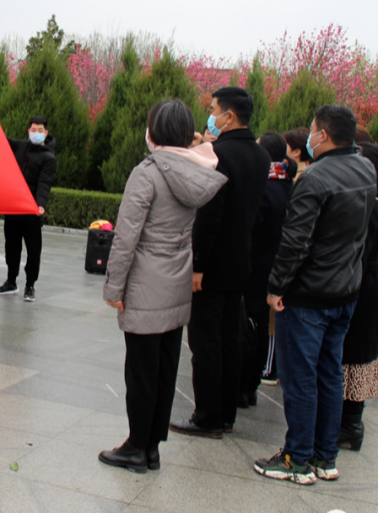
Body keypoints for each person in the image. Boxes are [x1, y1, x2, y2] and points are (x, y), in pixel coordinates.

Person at [98, 100, 228, 474]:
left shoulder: (148, 173)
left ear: (153, 131)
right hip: (176, 282)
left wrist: (114, 289)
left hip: (145, 284)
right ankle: (152, 447)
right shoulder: (195, 170)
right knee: (165, 370)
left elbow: (126, 237)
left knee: (141, 372)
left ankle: (135, 448)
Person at [254, 105, 376, 485]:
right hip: (345, 291)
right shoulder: (365, 169)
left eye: (312, 130)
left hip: (309, 295)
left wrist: (276, 287)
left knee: (300, 377)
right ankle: (325, 456)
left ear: (322, 135)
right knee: (329, 374)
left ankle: (297, 457)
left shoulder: (315, 178)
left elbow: (295, 242)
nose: (309, 136)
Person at [170, 86, 271, 439]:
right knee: (230, 339)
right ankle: (227, 413)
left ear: (228, 116)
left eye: (213, 110)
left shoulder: (217, 154)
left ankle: (207, 416)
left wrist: (197, 266)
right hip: (240, 262)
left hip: (211, 265)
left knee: (205, 342)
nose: (210, 115)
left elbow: (209, 214)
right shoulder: (261, 156)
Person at [337, 143, 378, 451]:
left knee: (354, 355)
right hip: (370, 284)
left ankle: (349, 424)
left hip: (360, 285)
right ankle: (351, 422)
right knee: (359, 358)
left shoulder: (369, 204)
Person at [239, 132, 296, 408]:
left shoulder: (264, 187)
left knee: (249, 328)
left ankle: (244, 386)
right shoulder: (288, 185)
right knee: (261, 327)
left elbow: (251, 230)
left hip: (256, 268)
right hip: (276, 267)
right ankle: (252, 385)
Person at [0, 116, 56, 303]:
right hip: (13, 209)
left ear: (46, 133)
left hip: (31, 212)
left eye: (40, 130)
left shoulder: (49, 158)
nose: (36, 133)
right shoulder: (20, 146)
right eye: (33, 130)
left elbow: (44, 183)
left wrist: (40, 204)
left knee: (33, 251)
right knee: (11, 248)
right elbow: (1, 141)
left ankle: (30, 286)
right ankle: (11, 282)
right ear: (28, 131)